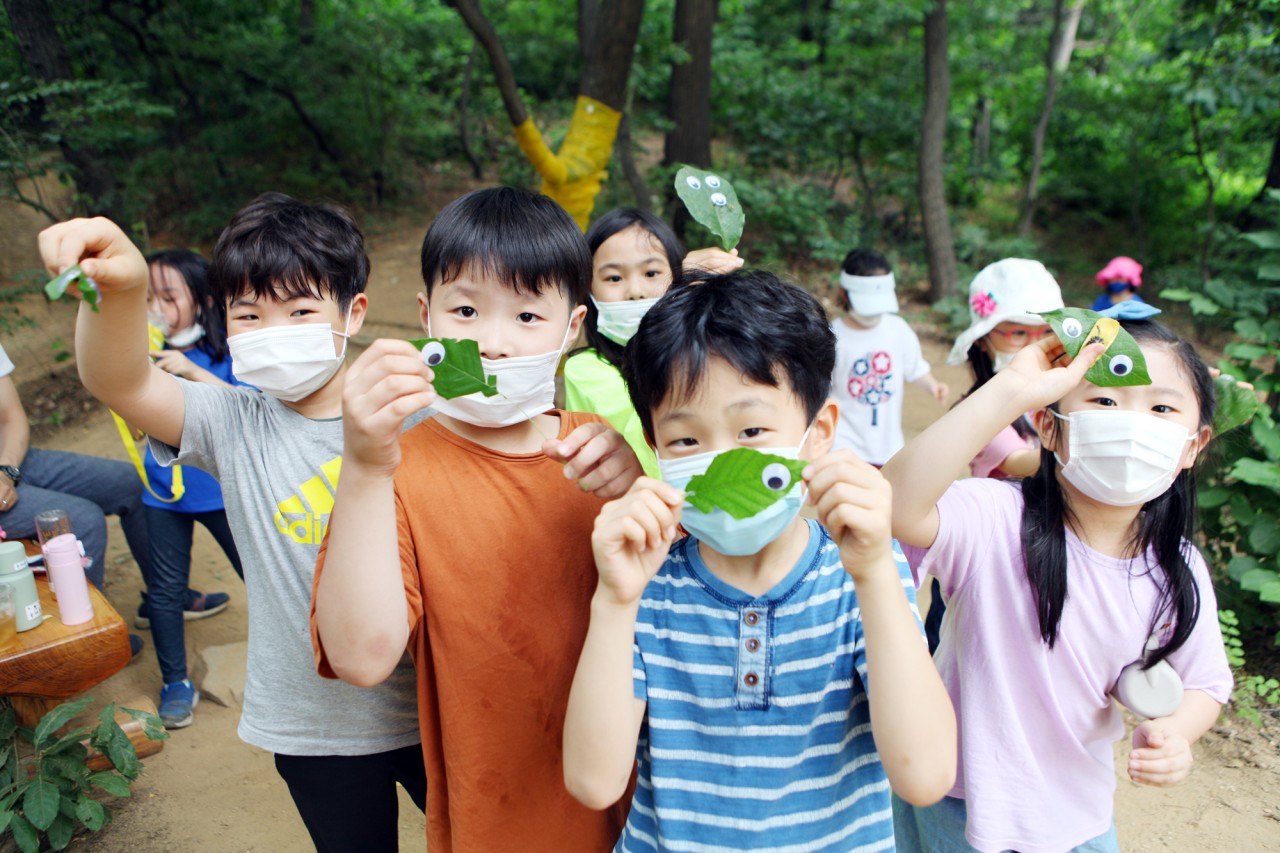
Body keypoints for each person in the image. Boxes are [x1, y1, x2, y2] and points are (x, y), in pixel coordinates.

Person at [40, 195, 427, 853]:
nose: (273, 329)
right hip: (311, 726)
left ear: (353, 312)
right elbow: (119, 380)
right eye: (249, 314)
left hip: (433, 705)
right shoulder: (233, 422)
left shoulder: (417, 411)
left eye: (300, 311)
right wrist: (122, 291)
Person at [562, 269, 957, 851]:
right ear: (653, 446)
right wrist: (615, 601)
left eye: (751, 429)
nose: (722, 460)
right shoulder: (646, 580)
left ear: (818, 432)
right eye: (686, 440)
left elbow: (925, 776)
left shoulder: (861, 573)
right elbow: (593, 783)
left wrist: (873, 574)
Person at [312, 186, 644, 852]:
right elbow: (361, 656)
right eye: (466, 310)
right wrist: (365, 465)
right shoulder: (392, 472)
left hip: (648, 812)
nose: (492, 344)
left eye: (528, 315)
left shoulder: (602, 450)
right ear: (426, 315)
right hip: (501, 817)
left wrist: (635, 486)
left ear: (572, 326)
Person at [884, 319, 1233, 852]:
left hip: (1079, 815)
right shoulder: (994, 519)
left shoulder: (1176, 567)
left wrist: (1178, 734)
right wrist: (1011, 390)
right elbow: (894, 505)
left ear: (1194, 445)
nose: (1132, 423)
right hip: (957, 804)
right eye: (1105, 401)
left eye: (1162, 408)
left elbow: (1206, 681)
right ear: (1050, 427)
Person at [139, 248, 244, 728]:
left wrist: (190, 371)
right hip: (163, 491)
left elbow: (251, 410)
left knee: (257, 573)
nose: (155, 309)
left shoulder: (232, 350)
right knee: (164, 592)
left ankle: (305, 653)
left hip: (221, 491)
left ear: (204, 299)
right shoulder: (145, 355)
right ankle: (175, 683)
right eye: (147, 298)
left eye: (167, 297)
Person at [563, 207, 742, 476]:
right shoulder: (586, 370)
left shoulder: (711, 351)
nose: (635, 291)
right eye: (614, 278)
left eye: (651, 273)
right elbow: (645, 431)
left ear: (676, 275)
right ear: (588, 291)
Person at [0, 340, 151, 655]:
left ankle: (164, 596)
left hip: (11, 459)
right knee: (81, 520)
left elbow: (11, 418)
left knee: (131, 484)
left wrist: (6, 470)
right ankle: (85, 643)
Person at [947, 258, 1065, 480]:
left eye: (1048, 332)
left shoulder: (1068, 392)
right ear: (982, 340)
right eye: (1019, 333)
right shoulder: (976, 409)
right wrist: (1083, 447)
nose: (1035, 346)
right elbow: (1020, 462)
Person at [830, 249, 948, 467]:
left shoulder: (897, 329)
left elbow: (915, 368)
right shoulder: (831, 337)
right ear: (844, 294)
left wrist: (933, 385)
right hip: (843, 446)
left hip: (888, 448)